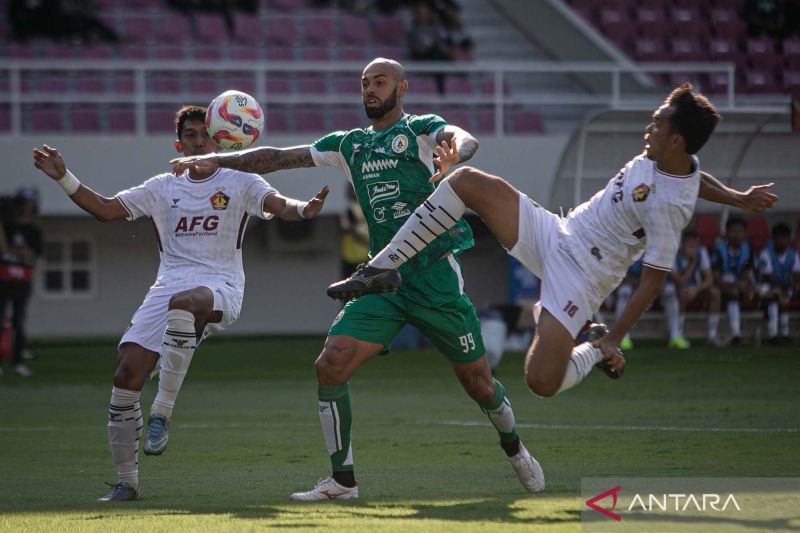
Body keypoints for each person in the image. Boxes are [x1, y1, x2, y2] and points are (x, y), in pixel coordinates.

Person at [327, 84, 778, 481]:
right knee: (465, 180)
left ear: (675, 138)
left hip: (582, 277)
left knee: (541, 381)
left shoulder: (669, 207)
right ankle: (381, 267)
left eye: (657, 125)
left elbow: (653, 283)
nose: (649, 129)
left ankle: (594, 349)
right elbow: (694, 174)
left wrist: (614, 339)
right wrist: (738, 197)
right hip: (558, 232)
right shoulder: (676, 159)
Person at [171, 58, 545, 500]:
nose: (370, 89)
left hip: (435, 279)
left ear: (401, 88)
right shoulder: (349, 145)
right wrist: (214, 157)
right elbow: (274, 158)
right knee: (330, 365)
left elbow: (463, 138)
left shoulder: (421, 130)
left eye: (380, 82)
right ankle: (342, 481)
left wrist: (456, 154)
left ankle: (514, 447)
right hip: (380, 280)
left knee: (479, 384)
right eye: (365, 83)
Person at [32, 105, 329, 502]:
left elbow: (279, 205)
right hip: (166, 288)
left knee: (185, 302)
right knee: (126, 375)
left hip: (221, 286)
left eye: (205, 134)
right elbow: (104, 210)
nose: (199, 141)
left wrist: (304, 209)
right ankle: (127, 482)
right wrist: (64, 178)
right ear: (179, 143)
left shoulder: (241, 180)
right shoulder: (162, 187)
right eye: (190, 136)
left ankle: (162, 413)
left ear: (220, 138)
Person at [0, 187, 42, 378]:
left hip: (22, 282)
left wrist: (13, 252)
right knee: (1, 321)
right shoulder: (7, 226)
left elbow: (33, 254)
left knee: (18, 321)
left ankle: (17, 362)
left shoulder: (33, 231)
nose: (25, 208)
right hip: (3, 280)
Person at [660, 228, 721, 348]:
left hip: (694, 288)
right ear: (681, 243)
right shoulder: (672, 253)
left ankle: (712, 335)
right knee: (681, 292)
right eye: (689, 244)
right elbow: (680, 282)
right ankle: (678, 333)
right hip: (674, 290)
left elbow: (709, 279)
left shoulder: (702, 252)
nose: (692, 247)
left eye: (695, 244)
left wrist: (697, 288)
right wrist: (692, 262)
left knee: (715, 292)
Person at [712, 217, 754, 346]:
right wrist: (734, 285)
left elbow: (747, 273)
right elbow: (716, 276)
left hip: (737, 287)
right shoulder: (719, 249)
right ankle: (729, 334)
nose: (736, 235)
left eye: (740, 231)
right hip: (720, 286)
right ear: (727, 233)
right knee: (730, 288)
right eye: (733, 231)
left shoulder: (747, 249)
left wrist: (745, 285)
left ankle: (737, 335)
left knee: (759, 291)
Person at [756, 222, 800, 343]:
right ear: (773, 238)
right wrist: (780, 292)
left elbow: (796, 276)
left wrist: (795, 285)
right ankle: (773, 335)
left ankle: (785, 335)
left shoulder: (793, 254)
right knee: (773, 299)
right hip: (767, 286)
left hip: (786, 286)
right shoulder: (766, 253)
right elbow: (767, 278)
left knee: (784, 297)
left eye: (785, 238)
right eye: (779, 238)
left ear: (789, 239)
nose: (782, 241)